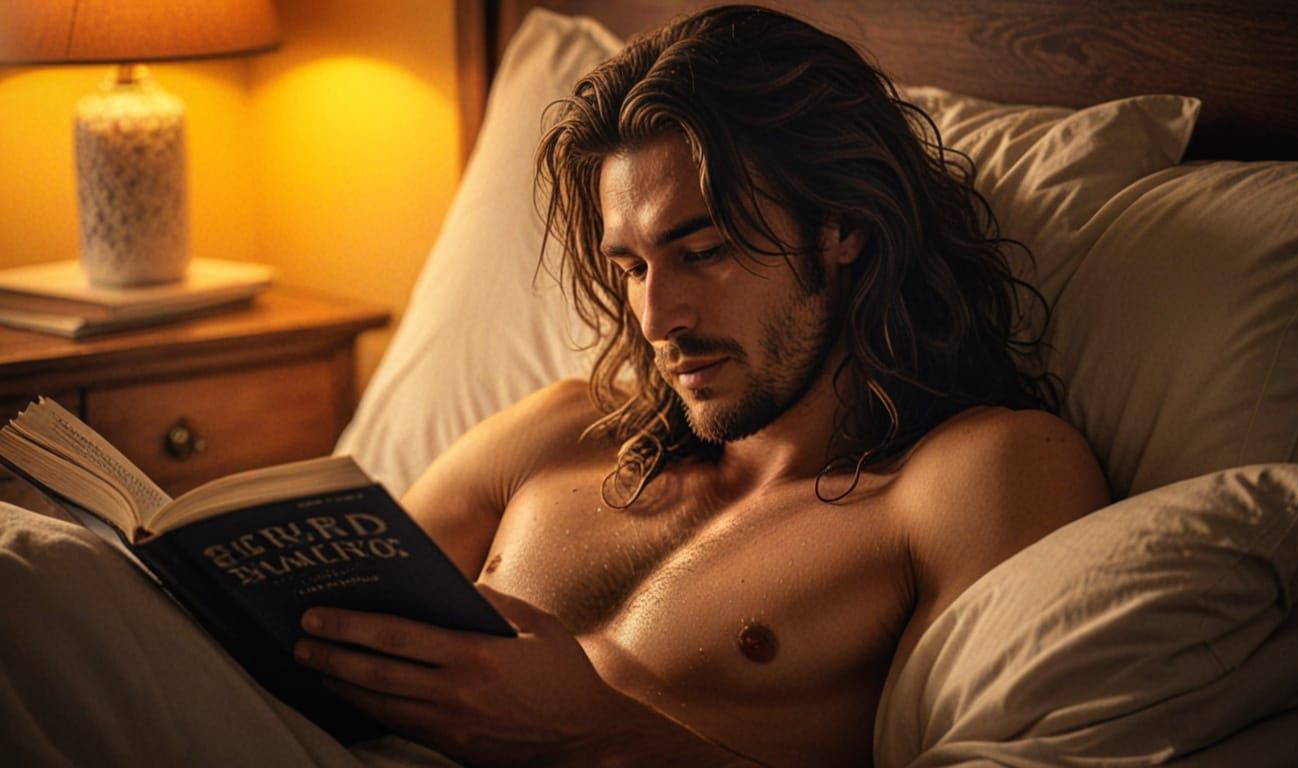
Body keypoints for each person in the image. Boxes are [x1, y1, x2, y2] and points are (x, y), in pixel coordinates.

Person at [286, 5, 1109, 767]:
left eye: (705, 251)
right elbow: (308, 632)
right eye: (634, 267)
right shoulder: (554, 435)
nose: (656, 316)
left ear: (844, 227)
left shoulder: (972, 477)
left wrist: (597, 735)